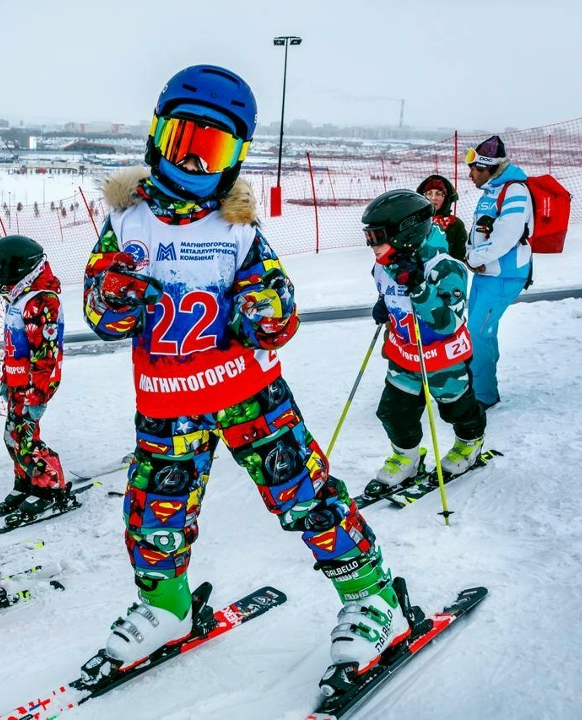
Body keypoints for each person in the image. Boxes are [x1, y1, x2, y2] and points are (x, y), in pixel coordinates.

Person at [80, 64, 411, 695]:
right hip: (167, 405)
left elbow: (280, 312)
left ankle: (371, 596)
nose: (197, 163)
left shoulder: (237, 228)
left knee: (304, 495)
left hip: (249, 395)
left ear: (236, 157)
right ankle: (169, 607)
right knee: (155, 512)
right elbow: (101, 314)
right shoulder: (127, 221)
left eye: (215, 150)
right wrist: (114, 293)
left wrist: (266, 312)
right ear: (157, 137)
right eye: (185, 142)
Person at [363, 190, 487, 491]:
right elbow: (388, 291)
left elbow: (449, 322)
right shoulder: (384, 264)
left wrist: (418, 287)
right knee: (393, 412)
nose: (372, 245)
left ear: (407, 232)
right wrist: (385, 306)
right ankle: (407, 458)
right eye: (368, 236)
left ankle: (470, 443)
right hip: (405, 355)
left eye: (378, 236)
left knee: (455, 407)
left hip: (443, 359)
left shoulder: (446, 269)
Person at [0, 235, 66, 521]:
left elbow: (45, 352)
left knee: (24, 437)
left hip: (35, 384)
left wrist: (38, 394)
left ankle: (50, 486)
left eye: (2, 265)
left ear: (19, 266)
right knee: (13, 436)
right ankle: (26, 482)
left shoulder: (41, 299)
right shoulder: (21, 295)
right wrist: (9, 379)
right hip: (19, 381)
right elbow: (15, 346)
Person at [465, 135, 533, 411]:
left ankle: (483, 396)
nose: (470, 174)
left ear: (490, 168)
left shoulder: (514, 190)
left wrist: (475, 257)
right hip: (486, 273)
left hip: (504, 275)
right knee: (482, 333)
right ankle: (481, 387)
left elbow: (507, 235)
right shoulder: (492, 191)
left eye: (475, 169)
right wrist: (472, 256)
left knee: (478, 332)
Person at [415, 174, 466, 262]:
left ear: (446, 198)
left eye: (439, 194)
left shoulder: (455, 224)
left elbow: (459, 257)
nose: (433, 198)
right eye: (429, 193)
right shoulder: (415, 221)